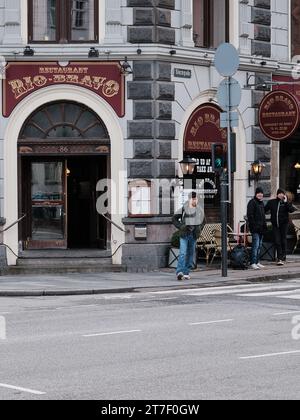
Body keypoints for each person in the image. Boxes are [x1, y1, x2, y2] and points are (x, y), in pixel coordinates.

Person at [172, 192, 204, 281]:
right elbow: (174, 218)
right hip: (184, 234)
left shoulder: (199, 209)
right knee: (182, 253)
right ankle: (179, 272)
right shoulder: (184, 208)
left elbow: (204, 221)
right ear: (189, 199)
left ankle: (186, 272)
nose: (195, 201)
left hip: (193, 235)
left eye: (196, 199)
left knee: (190, 254)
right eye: (193, 199)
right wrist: (180, 227)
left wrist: (199, 229)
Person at [265, 189, 296, 266]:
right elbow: (264, 210)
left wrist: (286, 202)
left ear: (284, 195)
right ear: (277, 194)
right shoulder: (272, 202)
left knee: (283, 240)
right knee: (277, 241)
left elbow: (291, 210)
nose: (281, 195)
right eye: (279, 194)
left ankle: (283, 256)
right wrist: (267, 202)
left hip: (284, 225)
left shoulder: (286, 203)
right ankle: (279, 258)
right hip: (275, 225)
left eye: (282, 194)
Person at [247, 187, 267, 270]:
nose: (260, 194)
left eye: (261, 193)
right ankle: (253, 262)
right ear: (256, 194)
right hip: (255, 229)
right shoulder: (252, 202)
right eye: (259, 193)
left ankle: (257, 261)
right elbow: (250, 216)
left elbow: (263, 216)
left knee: (259, 246)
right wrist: (254, 226)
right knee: (255, 246)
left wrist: (264, 225)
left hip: (261, 228)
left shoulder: (261, 203)